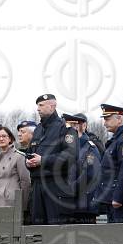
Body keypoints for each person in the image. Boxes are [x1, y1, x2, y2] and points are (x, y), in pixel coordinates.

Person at [25, 94, 78, 225]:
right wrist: (28, 162)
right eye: (37, 106)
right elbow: (30, 153)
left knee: (56, 230)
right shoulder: (38, 129)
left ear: (52, 106)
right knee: (37, 230)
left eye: (41, 105)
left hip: (56, 186)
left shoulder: (65, 129)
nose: (38, 109)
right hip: (37, 185)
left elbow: (71, 156)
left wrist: (43, 160)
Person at [63, 113, 102, 224]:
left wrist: (70, 189)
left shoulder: (89, 147)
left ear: (83, 126)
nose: (72, 128)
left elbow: (89, 174)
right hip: (70, 204)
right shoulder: (68, 147)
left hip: (84, 205)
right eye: (70, 125)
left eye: (75, 125)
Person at [0, 126, 31, 210]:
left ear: (10, 138)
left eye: (4, 136)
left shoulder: (19, 157)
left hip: (12, 204)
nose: (1, 139)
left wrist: (23, 207)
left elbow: (25, 182)